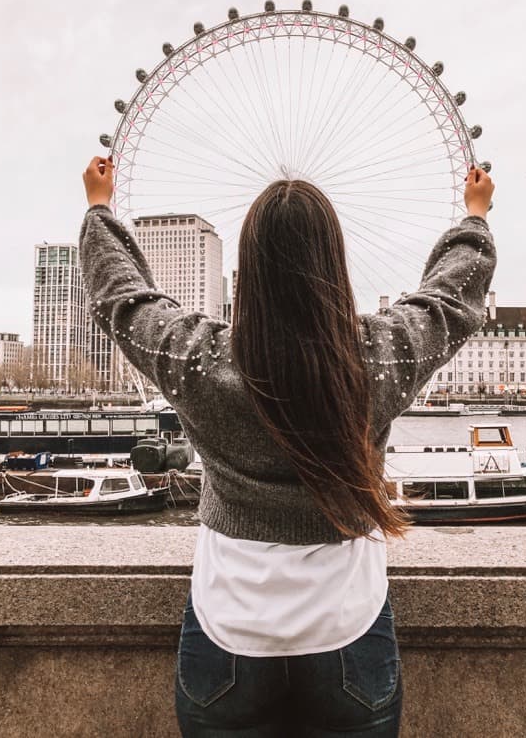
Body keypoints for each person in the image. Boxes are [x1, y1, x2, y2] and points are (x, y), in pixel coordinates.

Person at [81, 156, 495, 737]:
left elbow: (122, 300)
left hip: (229, 629)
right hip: (347, 627)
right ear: (333, 262)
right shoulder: (378, 358)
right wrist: (474, 217)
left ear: (249, 267)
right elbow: (448, 301)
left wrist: (100, 209)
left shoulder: (200, 362)